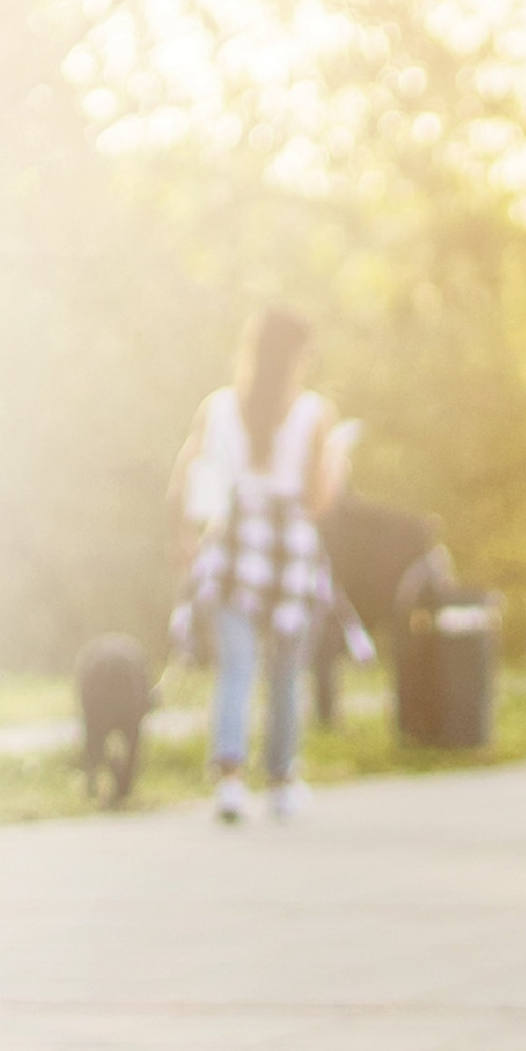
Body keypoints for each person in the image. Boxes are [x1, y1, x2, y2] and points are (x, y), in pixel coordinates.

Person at [174, 307, 366, 825]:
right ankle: (281, 781)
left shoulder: (215, 408)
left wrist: (189, 540)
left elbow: (187, 479)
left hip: (233, 539)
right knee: (287, 671)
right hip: (286, 544)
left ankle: (230, 782)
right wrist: (338, 460)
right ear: (297, 356)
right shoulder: (313, 413)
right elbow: (317, 499)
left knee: (235, 668)